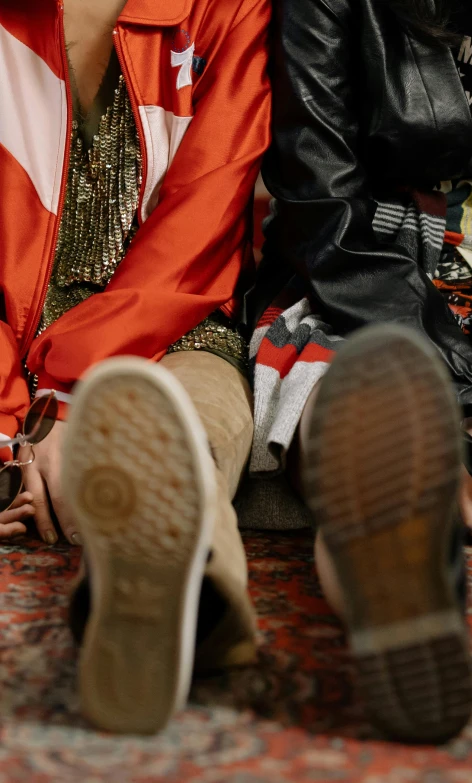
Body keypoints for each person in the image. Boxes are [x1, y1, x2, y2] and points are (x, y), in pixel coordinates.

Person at [243, 0, 472, 744]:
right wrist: (447, 399)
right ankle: (395, 580)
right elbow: (319, 207)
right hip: (359, 287)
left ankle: (408, 561)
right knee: (362, 417)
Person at [0, 0, 270, 733]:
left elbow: (197, 238)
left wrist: (73, 395)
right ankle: (181, 605)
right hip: (13, 345)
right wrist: (8, 421)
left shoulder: (228, 9)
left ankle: (186, 585)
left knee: (183, 426)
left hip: (173, 334)